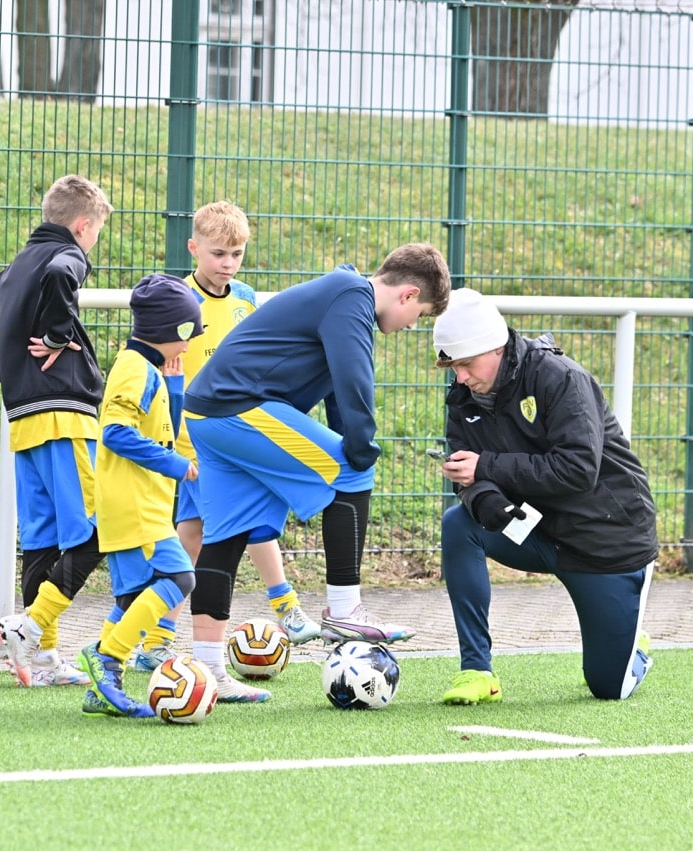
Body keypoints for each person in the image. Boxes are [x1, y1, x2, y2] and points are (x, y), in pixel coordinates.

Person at [181, 243, 452, 698]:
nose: (410, 327)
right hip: (238, 407)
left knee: (225, 536)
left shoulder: (342, 295)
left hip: (210, 412)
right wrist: (361, 447)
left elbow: (337, 390)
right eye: (420, 315)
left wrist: (352, 437)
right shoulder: (352, 297)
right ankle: (345, 608)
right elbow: (353, 378)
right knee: (353, 470)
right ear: (407, 295)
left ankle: (208, 672)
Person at [430, 287, 658, 704]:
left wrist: (487, 467)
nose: (460, 377)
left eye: (465, 364)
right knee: (459, 525)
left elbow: (578, 470)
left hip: (605, 543)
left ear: (496, 348)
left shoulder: (561, 377)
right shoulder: (463, 396)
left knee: (608, 688)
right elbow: (468, 473)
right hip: (537, 531)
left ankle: (633, 639)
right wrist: (484, 498)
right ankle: (477, 671)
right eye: (452, 367)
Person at [128, 201, 322, 683]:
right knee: (194, 537)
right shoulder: (178, 302)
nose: (228, 262)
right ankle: (158, 639)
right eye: (218, 253)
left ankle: (285, 610)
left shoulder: (249, 299)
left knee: (238, 528)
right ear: (194, 248)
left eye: (236, 253)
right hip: (194, 443)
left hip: (240, 435)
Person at [0, 174, 113, 688]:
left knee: (43, 543)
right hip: (65, 415)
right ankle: (32, 627)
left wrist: (5, 367)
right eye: (95, 234)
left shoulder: (14, 267)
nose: (91, 245)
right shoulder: (66, 257)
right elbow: (65, 276)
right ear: (83, 225)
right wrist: (56, 336)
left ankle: (41, 658)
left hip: (23, 422)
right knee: (96, 534)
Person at [78, 273, 204, 718]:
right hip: (134, 505)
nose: (189, 344)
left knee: (132, 600)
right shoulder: (133, 369)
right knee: (180, 579)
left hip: (139, 505)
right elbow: (114, 433)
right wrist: (175, 466)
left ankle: (100, 690)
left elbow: (160, 425)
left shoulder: (147, 369)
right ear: (168, 329)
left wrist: (173, 388)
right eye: (188, 333)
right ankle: (107, 658)